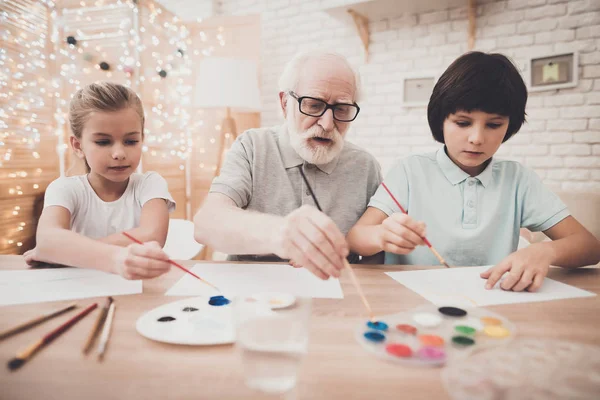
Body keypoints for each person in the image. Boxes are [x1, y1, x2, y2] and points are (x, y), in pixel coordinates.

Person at [347, 51, 600, 292]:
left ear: (510, 125)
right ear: (441, 120)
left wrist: (544, 252)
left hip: (492, 302)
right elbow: (356, 237)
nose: (477, 138)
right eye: (463, 123)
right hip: (410, 303)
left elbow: (589, 247)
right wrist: (381, 235)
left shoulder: (518, 180)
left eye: (494, 124)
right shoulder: (410, 171)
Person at [194, 51, 382, 280]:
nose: (327, 123)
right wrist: (280, 233)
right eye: (313, 105)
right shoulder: (252, 146)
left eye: (341, 109)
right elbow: (206, 224)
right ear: (285, 103)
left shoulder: (365, 166)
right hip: (253, 296)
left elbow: (375, 257)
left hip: (336, 298)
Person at [24, 82, 175, 280]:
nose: (119, 153)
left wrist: (67, 252)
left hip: (138, 290)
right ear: (78, 146)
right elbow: (48, 239)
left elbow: (152, 235)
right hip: (78, 286)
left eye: (131, 141)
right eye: (103, 142)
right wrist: (54, 247)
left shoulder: (150, 184)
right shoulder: (64, 188)